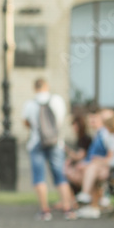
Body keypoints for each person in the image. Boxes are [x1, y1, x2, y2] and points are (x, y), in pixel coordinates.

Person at [21, 78, 77, 220]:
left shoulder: (30, 104)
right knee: (60, 175)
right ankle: (67, 209)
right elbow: (60, 120)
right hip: (55, 142)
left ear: (35, 88)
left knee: (39, 177)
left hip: (36, 143)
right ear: (47, 86)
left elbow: (26, 123)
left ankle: (45, 211)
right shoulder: (57, 100)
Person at [74, 107, 114, 218]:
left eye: (95, 118)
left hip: (106, 167)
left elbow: (110, 155)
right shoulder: (99, 134)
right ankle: (94, 205)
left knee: (90, 171)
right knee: (87, 170)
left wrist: (91, 162)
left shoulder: (105, 134)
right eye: (90, 119)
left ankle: (93, 203)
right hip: (100, 165)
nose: (92, 121)